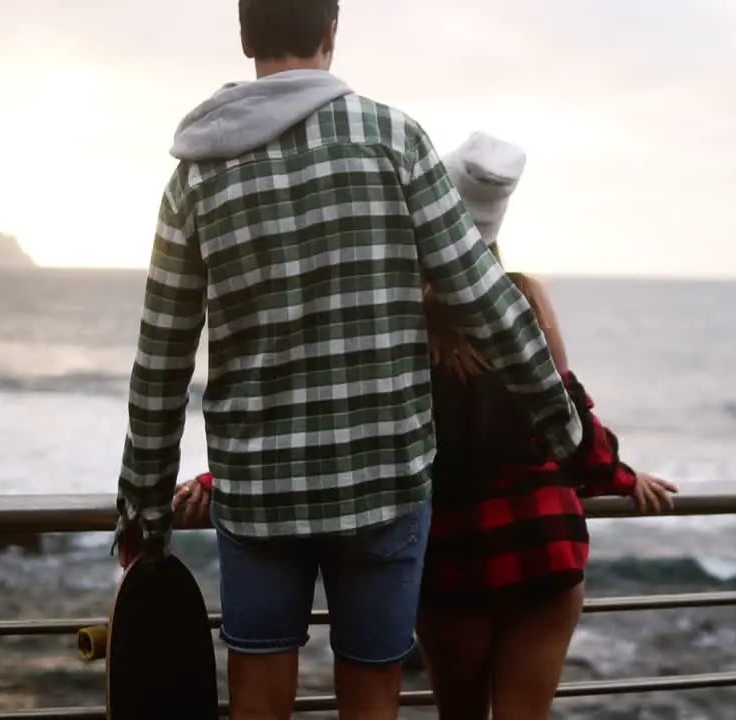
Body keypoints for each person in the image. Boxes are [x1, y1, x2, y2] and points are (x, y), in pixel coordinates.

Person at [112, 2, 582, 719]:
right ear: (331, 33)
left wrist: (144, 509)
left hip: (260, 489)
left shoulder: (194, 178)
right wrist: (559, 418)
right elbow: (482, 299)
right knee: (372, 695)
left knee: (259, 702)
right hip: (384, 485)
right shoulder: (394, 139)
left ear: (246, 38)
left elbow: (161, 362)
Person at [175, 132, 679, 720]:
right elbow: (564, 414)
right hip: (542, 543)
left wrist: (223, 479)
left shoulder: (393, 311)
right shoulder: (524, 298)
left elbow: (339, 417)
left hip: (452, 555)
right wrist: (618, 476)